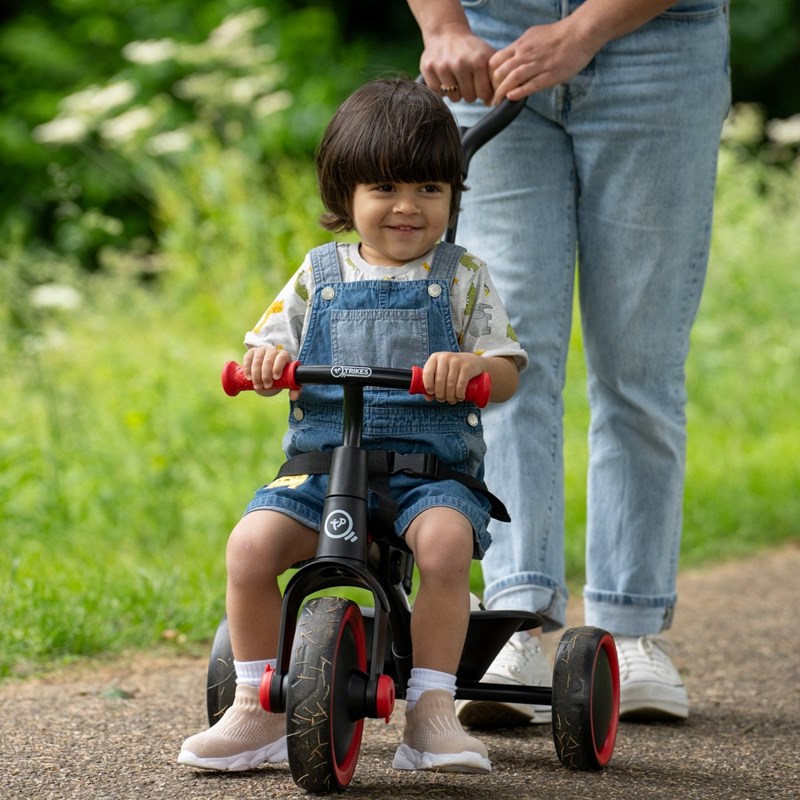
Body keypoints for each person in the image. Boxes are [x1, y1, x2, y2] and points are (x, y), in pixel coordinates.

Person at [177, 77, 528, 775]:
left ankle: (432, 710)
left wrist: (472, 367)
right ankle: (257, 705)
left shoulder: (463, 278)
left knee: (446, 546)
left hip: (428, 476)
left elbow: (509, 368)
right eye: (385, 188)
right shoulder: (317, 276)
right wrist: (266, 364)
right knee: (249, 547)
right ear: (346, 195)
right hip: (322, 472)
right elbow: (263, 349)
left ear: (453, 195)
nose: (408, 206)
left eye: (429, 189)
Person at [406, 0, 730, 724]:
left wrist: (584, 30)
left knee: (638, 368)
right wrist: (443, 27)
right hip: (490, 49)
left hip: (658, 47)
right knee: (502, 361)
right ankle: (514, 620)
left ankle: (629, 628)